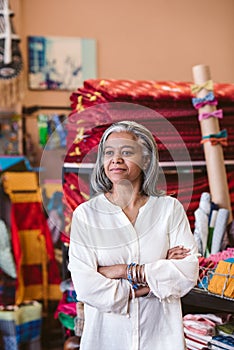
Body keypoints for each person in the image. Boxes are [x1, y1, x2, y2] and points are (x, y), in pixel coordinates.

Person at [68, 120, 199, 350]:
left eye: (126, 152)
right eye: (109, 152)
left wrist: (121, 271)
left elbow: (187, 273)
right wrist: (157, 275)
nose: (115, 159)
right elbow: (86, 286)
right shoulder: (86, 216)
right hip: (106, 339)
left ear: (146, 159)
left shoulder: (169, 209)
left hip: (160, 339)